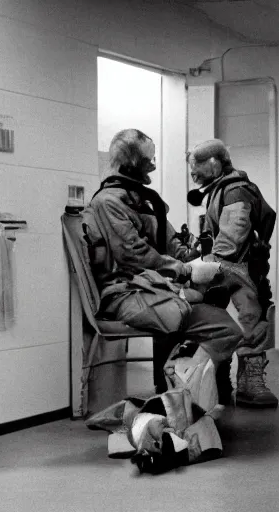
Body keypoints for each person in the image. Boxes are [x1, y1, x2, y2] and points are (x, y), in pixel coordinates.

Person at [84, 129, 243, 393]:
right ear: (132, 160)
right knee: (177, 313)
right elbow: (133, 255)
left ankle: (184, 386)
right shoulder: (107, 202)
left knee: (228, 330)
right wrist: (185, 271)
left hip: (158, 287)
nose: (154, 165)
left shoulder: (147, 200)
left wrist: (203, 260)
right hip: (125, 291)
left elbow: (172, 245)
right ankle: (174, 389)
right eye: (149, 158)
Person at [186, 139, 279, 408]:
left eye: (197, 168)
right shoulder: (219, 190)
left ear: (215, 164)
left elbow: (232, 237)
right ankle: (217, 380)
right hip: (228, 266)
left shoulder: (235, 191)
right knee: (211, 316)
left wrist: (207, 267)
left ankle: (250, 381)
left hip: (239, 270)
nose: (193, 174)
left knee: (252, 315)